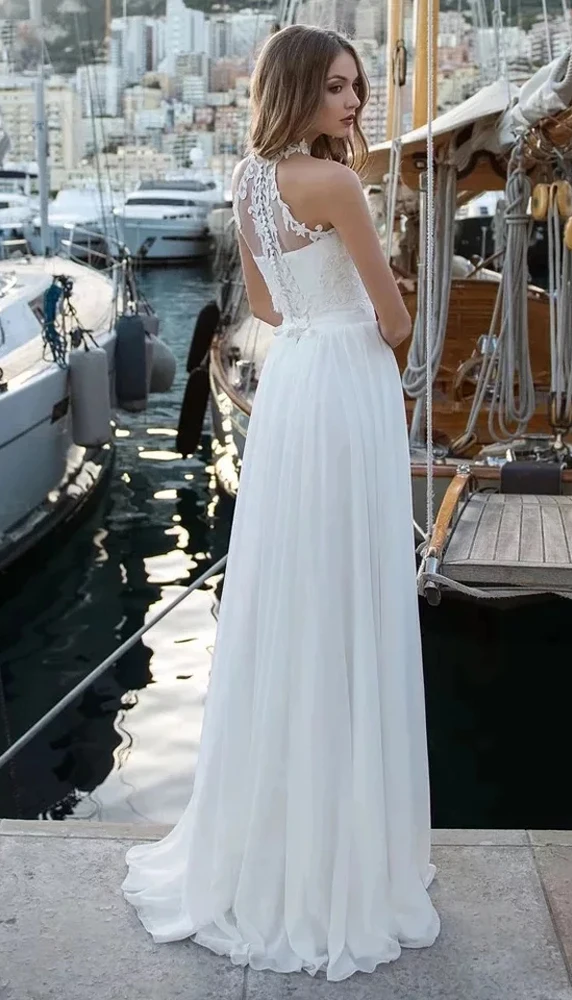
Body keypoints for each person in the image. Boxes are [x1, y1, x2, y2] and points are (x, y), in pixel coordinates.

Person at [122, 24, 440, 981]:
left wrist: (329, 303)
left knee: (294, 597)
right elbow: (392, 321)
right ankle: (346, 862)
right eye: (340, 88)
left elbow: (265, 308)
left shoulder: (249, 182)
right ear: (301, 88)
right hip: (345, 380)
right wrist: (396, 302)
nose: (353, 103)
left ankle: (275, 848)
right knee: (351, 595)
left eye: (356, 87)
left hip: (295, 383)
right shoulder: (337, 185)